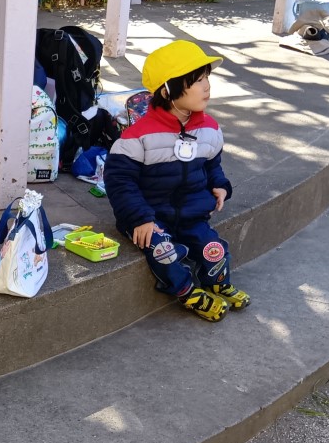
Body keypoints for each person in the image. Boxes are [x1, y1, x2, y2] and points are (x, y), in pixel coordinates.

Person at [104, 40, 251, 323]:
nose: (207, 86)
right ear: (168, 89)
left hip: (191, 215)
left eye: (207, 77)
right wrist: (140, 219)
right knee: (163, 251)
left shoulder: (208, 128)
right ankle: (186, 291)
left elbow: (212, 163)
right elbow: (119, 181)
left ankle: (218, 283)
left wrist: (219, 185)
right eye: (197, 80)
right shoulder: (139, 136)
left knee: (214, 248)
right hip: (151, 217)